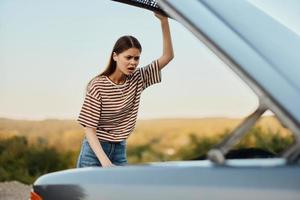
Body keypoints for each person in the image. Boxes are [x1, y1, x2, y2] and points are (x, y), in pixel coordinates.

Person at [76, 13, 174, 168]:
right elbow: (90, 130)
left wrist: (164, 21)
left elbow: (168, 56)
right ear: (115, 56)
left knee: (119, 192)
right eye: (128, 57)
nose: (133, 62)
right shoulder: (98, 85)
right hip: (94, 152)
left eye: (136, 58)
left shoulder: (138, 78)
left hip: (119, 149)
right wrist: (105, 162)